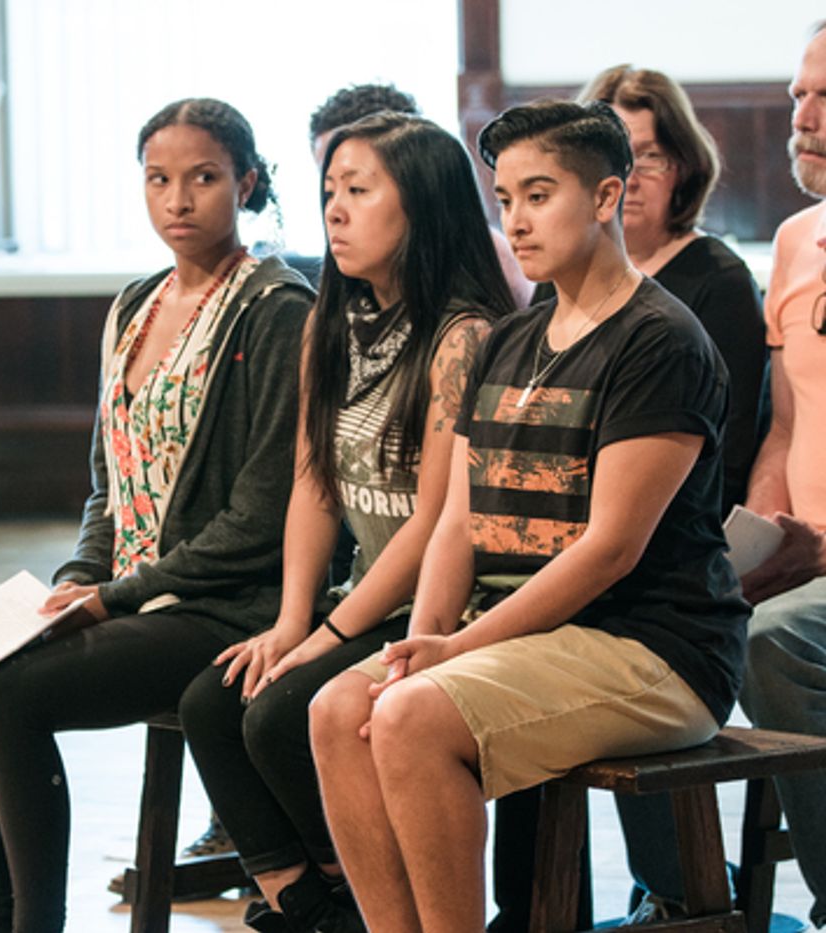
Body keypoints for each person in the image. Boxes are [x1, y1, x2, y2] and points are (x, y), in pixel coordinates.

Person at [309, 99, 748, 933]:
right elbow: (456, 525)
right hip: (526, 640)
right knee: (338, 709)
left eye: (538, 195)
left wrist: (456, 651)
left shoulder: (660, 340)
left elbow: (610, 551)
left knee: (406, 716)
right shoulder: (511, 339)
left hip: (653, 644)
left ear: (607, 196)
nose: (515, 220)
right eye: (504, 199)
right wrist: (424, 640)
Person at [0, 97, 314, 933]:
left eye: (203, 178)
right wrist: (78, 578)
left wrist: (119, 595)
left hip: (225, 605)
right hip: (131, 594)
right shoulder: (134, 304)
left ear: (244, 183)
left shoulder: (277, 309)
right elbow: (110, 481)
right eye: (158, 179)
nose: (178, 200)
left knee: (15, 693)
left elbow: (262, 513)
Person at [179, 112, 514, 933]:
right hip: (357, 595)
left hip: (434, 602)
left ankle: (364, 898)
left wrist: (326, 636)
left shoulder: (463, 335)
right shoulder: (333, 318)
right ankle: (309, 900)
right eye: (331, 191)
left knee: (280, 711)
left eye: (360, 192)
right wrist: (293, 619)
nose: (335, 210)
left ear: (424, 207)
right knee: (213, 702)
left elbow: (434, 520)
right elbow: (312, 486)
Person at [491, 64, 769, 927]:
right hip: (565, 545)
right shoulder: (548, 303)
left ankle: (676, 886)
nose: (638, 176)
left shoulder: (697, 294)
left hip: (682, 544)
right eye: (510, 196)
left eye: (651, 155)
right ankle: (535, 907)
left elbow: (713, 458)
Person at [738, 21, 826, 931]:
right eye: (799, 92)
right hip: (803, 566)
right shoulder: (797, 240)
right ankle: (682, 891)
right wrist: (760, 537)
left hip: (817, 587)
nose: (802, 116)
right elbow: (786, 425)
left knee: (774, 641)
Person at [307, 85, 535, 309]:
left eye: (356, 188)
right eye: (329, 189)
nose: (333, 211)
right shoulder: (348, 300)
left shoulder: (487, 262)